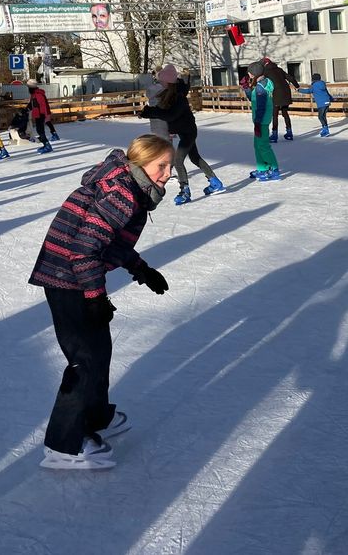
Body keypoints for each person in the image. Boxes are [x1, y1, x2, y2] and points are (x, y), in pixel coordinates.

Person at [30, 134, 173, 470]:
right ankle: (63, 445)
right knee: (85, 359)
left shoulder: (128, 186)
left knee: (98, 351)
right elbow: (84, 249)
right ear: (141, 162)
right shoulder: (122, 193)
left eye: (171, 166)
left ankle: (94, 416)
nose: (168, 173)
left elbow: (108, 241)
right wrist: (95, 296)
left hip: (74, 273)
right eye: (161, 166)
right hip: (67, 277)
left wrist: (141, 269)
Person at [140, 64, 223, 204]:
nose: (160, 84)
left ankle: (185, 191)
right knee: (195, 158)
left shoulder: (178, 97)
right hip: (186, 131)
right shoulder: (172, 93)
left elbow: (170, 115)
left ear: (168, 83)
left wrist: (151, 112)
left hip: (188, 132)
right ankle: (215, 182)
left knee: (178, 161)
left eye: (162, 81)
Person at [246, 60, 280, 180]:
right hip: (262, 120)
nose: (249, 75)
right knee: (257, 145)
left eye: (250, 73)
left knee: (263, 146)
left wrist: (257, 122)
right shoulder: (264, 83)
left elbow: (261, 106)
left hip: (261, 121)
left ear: (254, 74)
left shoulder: (261, 88)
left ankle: (274, 169)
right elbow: (253, 99)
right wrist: (247, 90)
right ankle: (262, 168)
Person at [262, 57, 299, 142]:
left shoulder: (266, 72)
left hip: (276, 94)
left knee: (275, 115)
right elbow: (291, 78)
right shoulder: (279, 70)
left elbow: (263, 83)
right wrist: (296, 86)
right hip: (286, 93)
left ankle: (274, 135)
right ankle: (289, 133)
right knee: (285, 113)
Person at [297, 72, 333, 137]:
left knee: (320, 116)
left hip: (321, 103)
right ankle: (325, 128)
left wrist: (299, 90)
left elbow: (308, 91)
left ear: (313, 79)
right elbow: (327, 92)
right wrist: (331, 98)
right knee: (323, 116)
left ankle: (326, 129)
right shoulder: (323, 84)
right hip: (327, 102)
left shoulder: (314, 85)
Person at [27, 79, 55, 154]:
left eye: (28, 87)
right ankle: (45, 144)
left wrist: (46, 115)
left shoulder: (38, 94)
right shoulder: (33, 94)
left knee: (40, 131)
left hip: (41, 114)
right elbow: (31, 104)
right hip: (37, 114)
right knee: (39, 130)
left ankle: (47, 146)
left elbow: (43, 106)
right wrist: (26, 109)